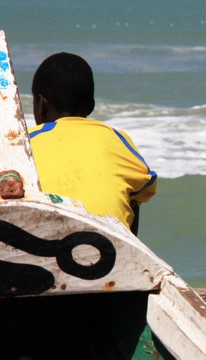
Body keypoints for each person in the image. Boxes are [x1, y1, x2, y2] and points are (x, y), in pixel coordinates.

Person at [28, 52, 156, 234]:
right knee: (132, 197)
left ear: (41, 104)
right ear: (91, 105)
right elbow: (143, 185)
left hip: (35, 245)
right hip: (107, 250)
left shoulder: (21, 143)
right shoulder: (116, 139)